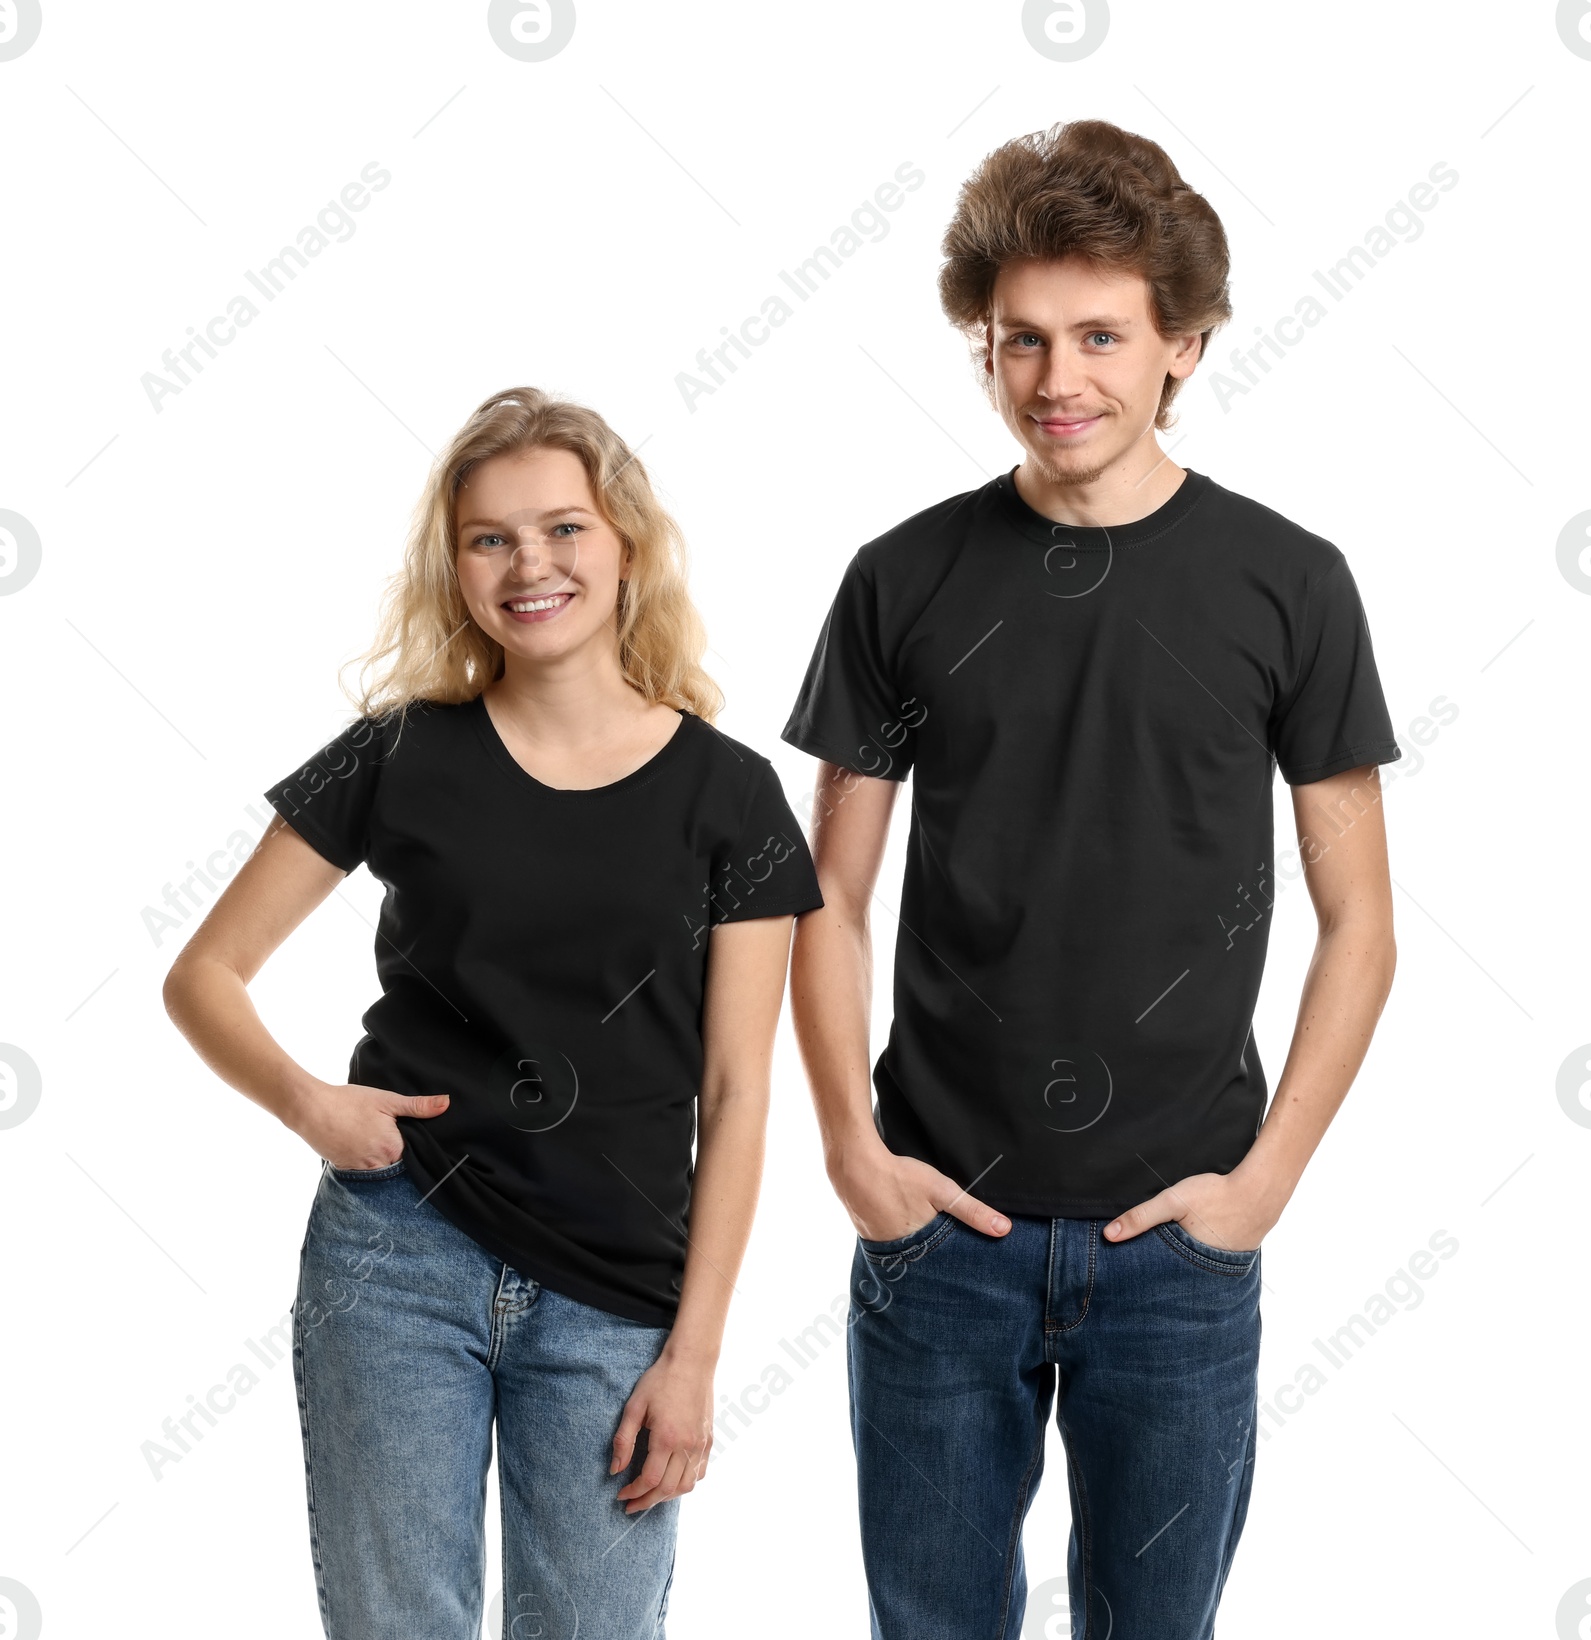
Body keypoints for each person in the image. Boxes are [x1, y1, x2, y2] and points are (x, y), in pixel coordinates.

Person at [781, 120, 1400, 1640]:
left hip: (1179, 1244)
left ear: (1185, 343)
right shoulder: (903, 579)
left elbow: (1362, 922)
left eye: (1104, 336)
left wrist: (1262, 1188)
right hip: (942, 1235)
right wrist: (858, 1157)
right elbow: (824, 897)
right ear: (981, 348)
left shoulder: (1288, 583)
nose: (1061, 379)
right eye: (1023, 340)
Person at [162, 386, 823, 1639]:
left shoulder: (730, 797)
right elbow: (202, 974)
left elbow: (738, 1094)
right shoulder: (399, 753)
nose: (533, 564)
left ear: (625, 541)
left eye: (564, 528)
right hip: (398, 1253)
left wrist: (694, 1355)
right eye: (491, 538)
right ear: (456, 567)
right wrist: (310, 1102)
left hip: (617, 1289)